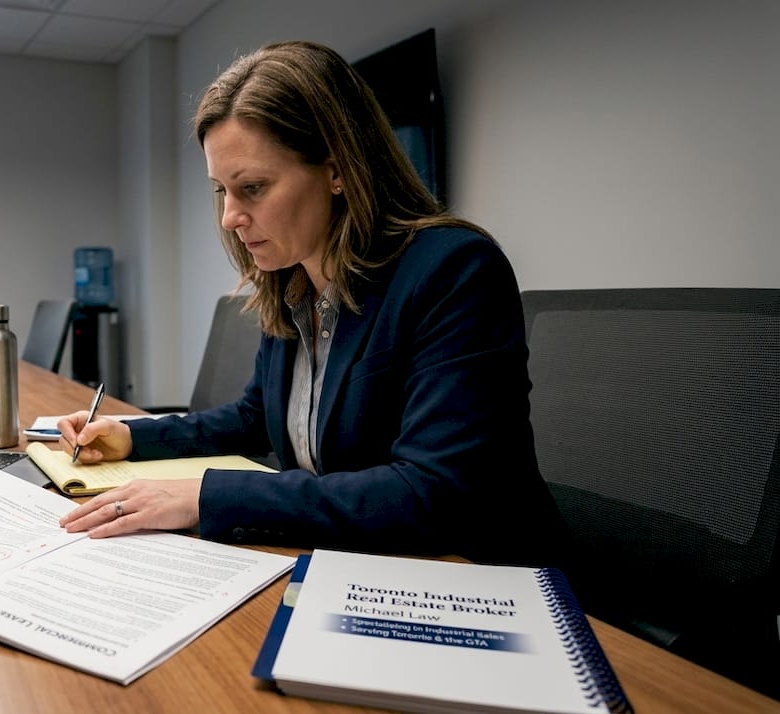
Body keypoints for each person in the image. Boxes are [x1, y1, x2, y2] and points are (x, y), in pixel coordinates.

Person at [58, 40, 564, 566]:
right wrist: (132, 437)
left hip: (471, 574)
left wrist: (206, 496)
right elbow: (255, 417)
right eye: (222, 191)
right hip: (356, 558)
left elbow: (433, 491)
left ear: (337, 170)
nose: (230, 217)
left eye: (253, 187)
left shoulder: (453, 270)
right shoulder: (293, 280)